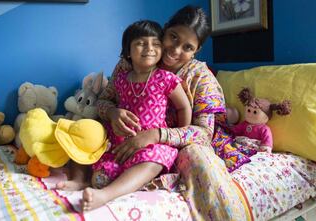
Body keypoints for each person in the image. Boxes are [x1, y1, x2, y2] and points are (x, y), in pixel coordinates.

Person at [96, 5, 252, 221]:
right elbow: (103, 99)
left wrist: (158, 135)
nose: (176, 50)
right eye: (173, 37)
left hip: (178, 143)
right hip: (128, 137)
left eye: (187, 47)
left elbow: (204, 134)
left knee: (199, 157)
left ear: (196, 51)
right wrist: (113, 113)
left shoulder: (200, 77)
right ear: (165, 29)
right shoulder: (133, 59)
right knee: (89, 129)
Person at [82, 19, 192, 211]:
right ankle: (83, 181)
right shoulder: (121, 79)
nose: (149, 48)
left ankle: (105, 195)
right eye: (141, 43)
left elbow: (184, 107)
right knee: (98, 170)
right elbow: (105, 101)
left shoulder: (166, 78)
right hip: (120, 141)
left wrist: (180, 136)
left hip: (153, 143)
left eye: (156, 43)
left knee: (153, 160)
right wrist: (113, 112)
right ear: (127, 52)